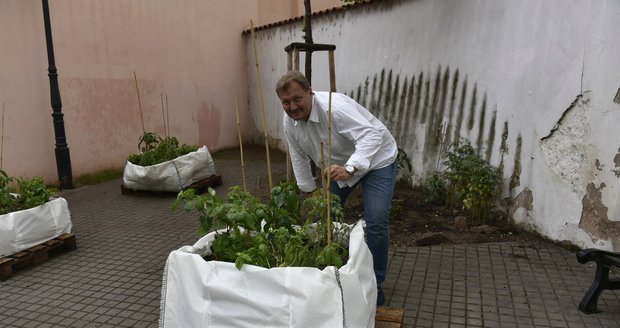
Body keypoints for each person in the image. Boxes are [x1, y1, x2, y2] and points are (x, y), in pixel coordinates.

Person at [275, 70, 398, 305]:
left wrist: (351, 168)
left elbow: (372, 136)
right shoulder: (290, 121)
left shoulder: (335, 108)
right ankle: (330, 273)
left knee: (376, 220)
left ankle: (375, 283)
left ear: (309, 93)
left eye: (297, 99)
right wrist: (309, 190)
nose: (292, 107)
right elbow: (298, 155)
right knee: (323, 215)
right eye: (286, 102)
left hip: (377, 160)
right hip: (338, 165)